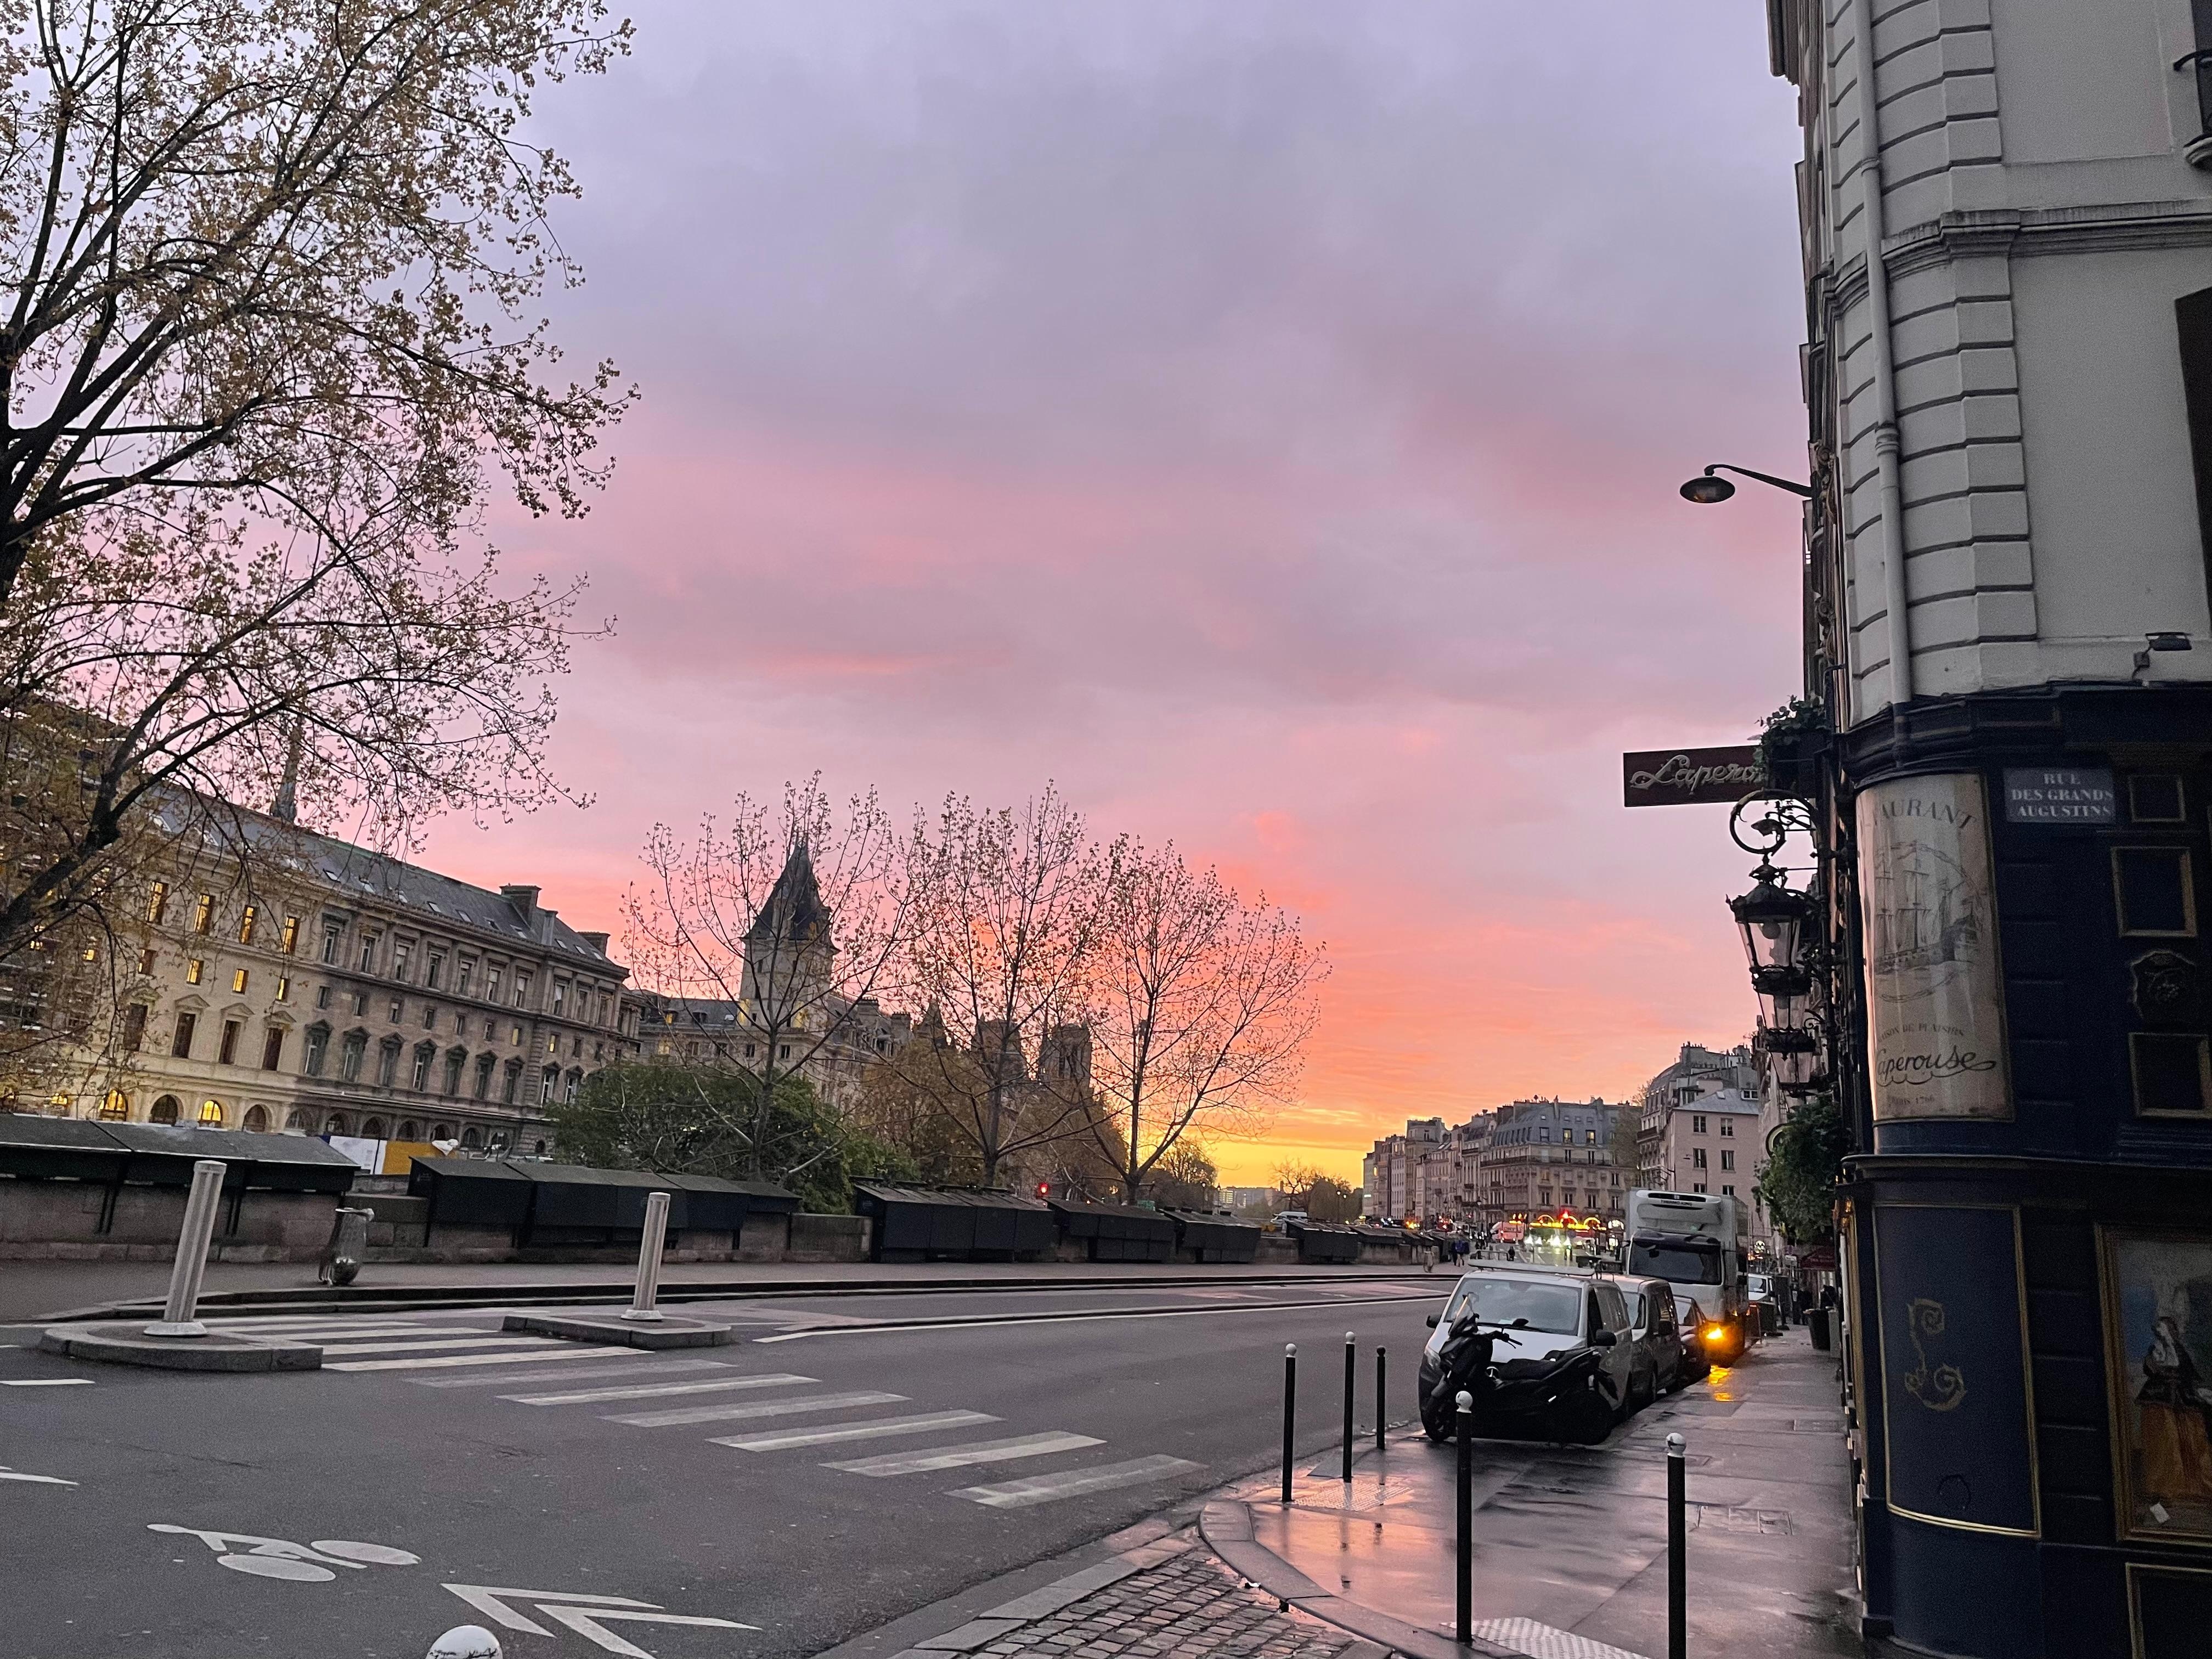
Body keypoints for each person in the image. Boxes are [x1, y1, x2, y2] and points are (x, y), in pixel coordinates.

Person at [2138, 1315, 2212, 1505]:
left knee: (2192, 1438)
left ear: (2170, 1330)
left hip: (2182, 1397)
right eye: (2158, 1329)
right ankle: (2165, 1488)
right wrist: (2162, 1350)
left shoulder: (2178, 1349)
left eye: (2163, 1328)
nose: (2159, 1331)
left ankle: (2193, 1485)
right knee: (2167, 1442)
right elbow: (2158, 1367)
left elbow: (2186, 1371)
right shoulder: (2156, 1349)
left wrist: (2198, 1392)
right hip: (2160, 1397)